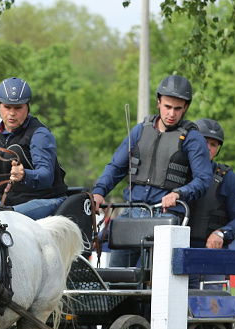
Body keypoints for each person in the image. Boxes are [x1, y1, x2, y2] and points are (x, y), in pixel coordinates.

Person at [91, 75, 213, 267]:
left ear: (186, 107)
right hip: (132, 213)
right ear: (158, 102)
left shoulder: (192, 138)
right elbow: (115, 167)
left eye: (177, 108)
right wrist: (98, 192)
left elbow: (203, 180)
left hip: (166, 215)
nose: (171, 113)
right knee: (116, 276)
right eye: (167, 106)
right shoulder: (140, 131)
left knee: (155, 280)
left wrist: (179, 193)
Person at [0, 77, 68, 219]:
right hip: (8, 203)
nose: (12, 113)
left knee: (3, 218)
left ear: (27, 107)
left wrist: (25, 175)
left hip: (46, 200)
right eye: (7, 107)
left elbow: (46, 176)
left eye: (18, 108)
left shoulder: (40, 134)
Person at [188, 118, 235, 288]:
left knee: (210, 307)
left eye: (213, 144)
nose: (207, 147)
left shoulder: (228, 178)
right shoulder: (178, 170)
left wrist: (221, 233)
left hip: (211, 256)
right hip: (177, 252)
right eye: (203, 141)